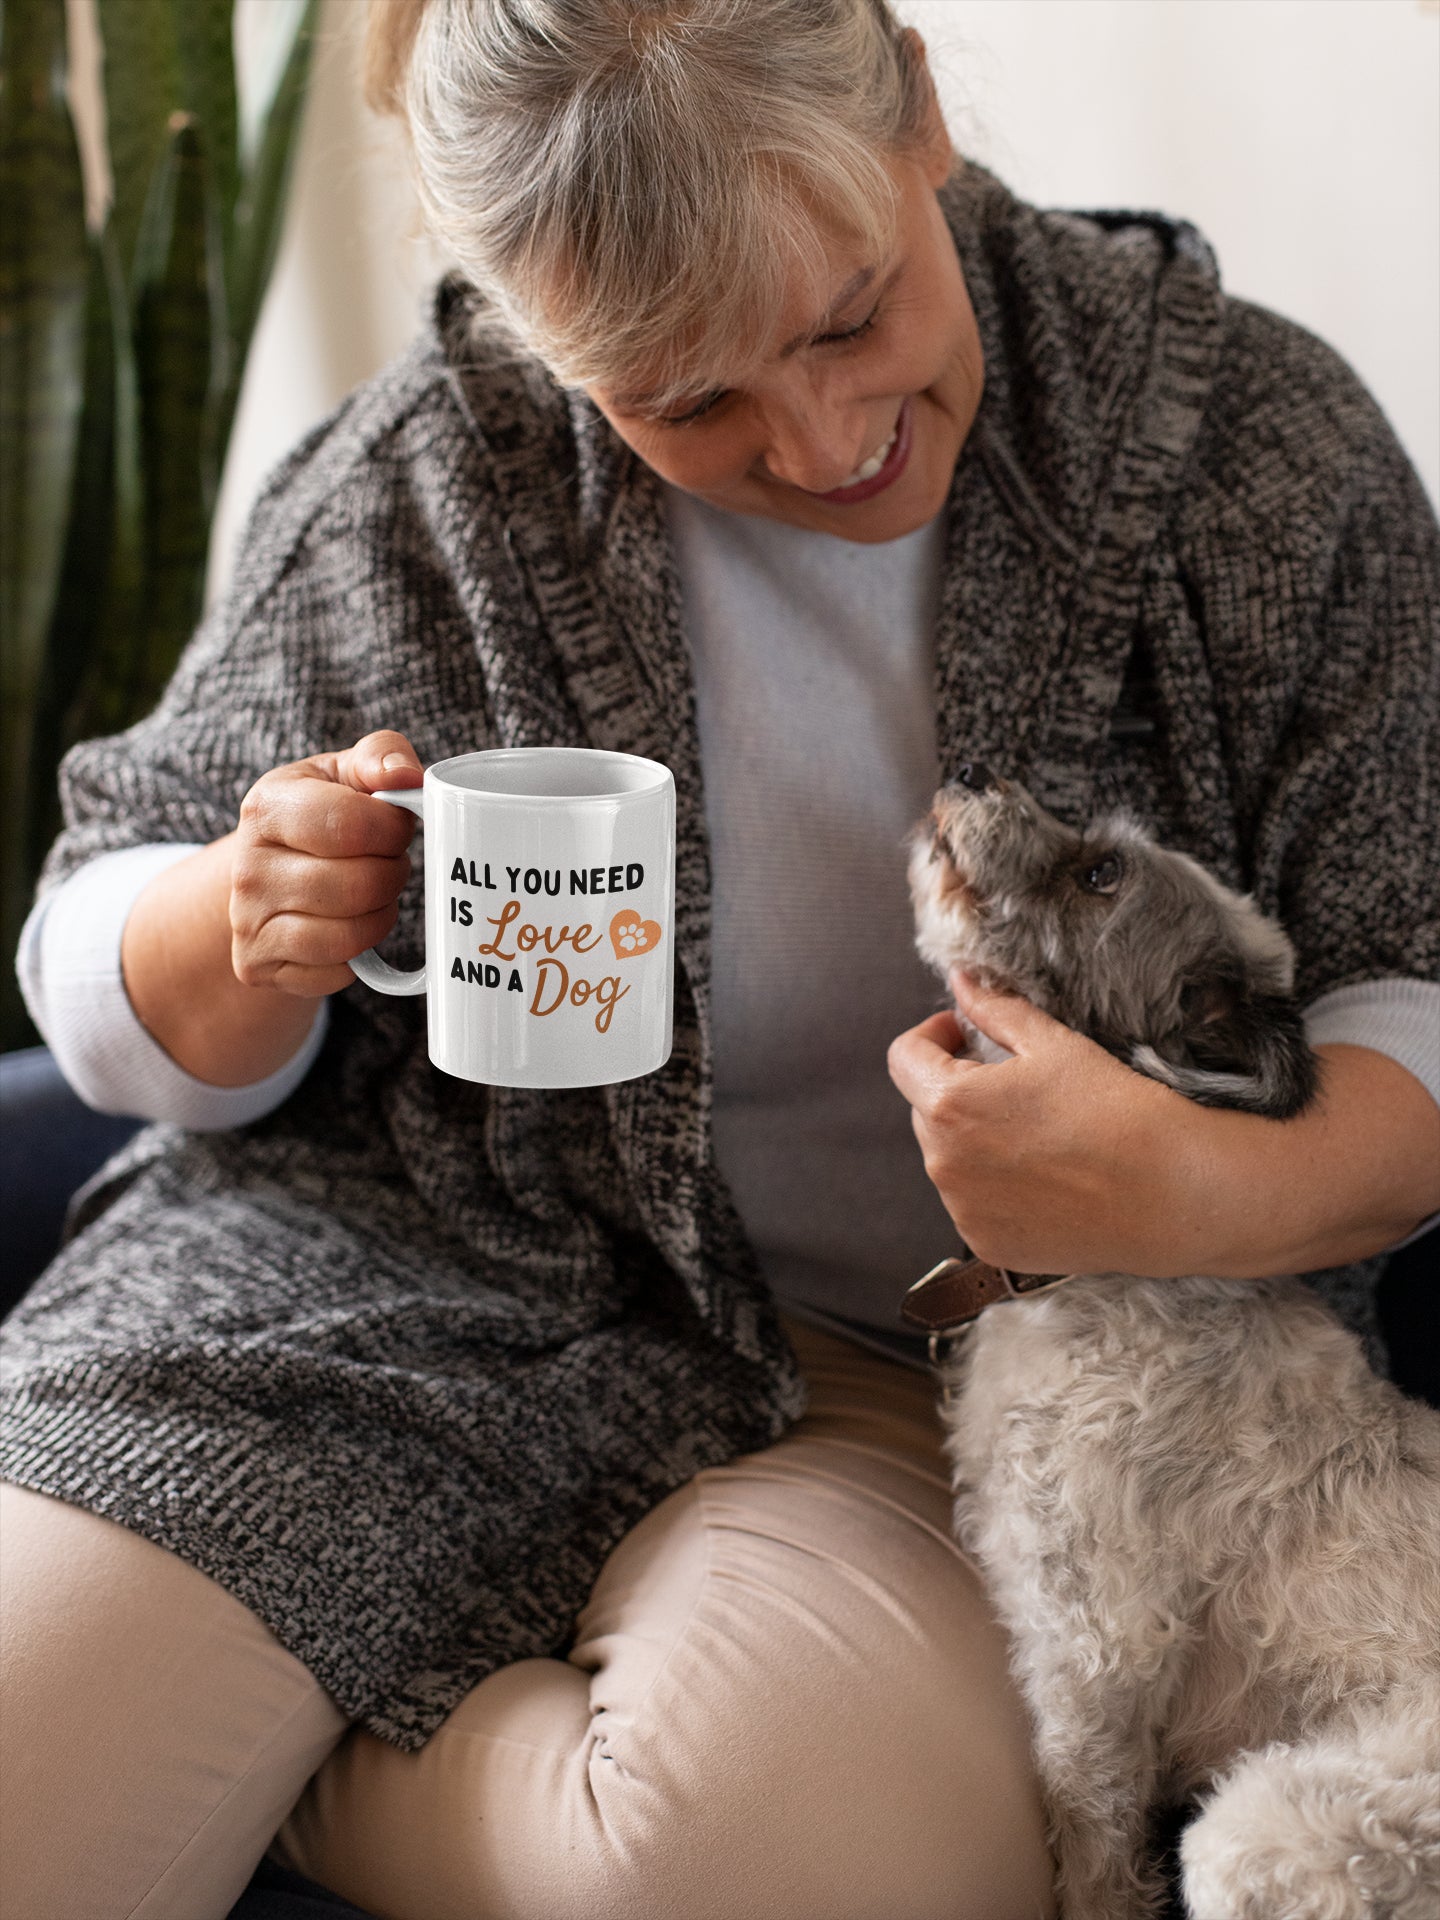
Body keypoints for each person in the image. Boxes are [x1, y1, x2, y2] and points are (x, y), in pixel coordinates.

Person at [2, 3, 1437, 1916]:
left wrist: (1200, 1192)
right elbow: (99, 957)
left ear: (918, 109)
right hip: (368, 1289)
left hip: (913, 1380)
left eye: (850, 318)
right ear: (538, 335)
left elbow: (1406, 961)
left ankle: (290, 1734)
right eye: (684, 399)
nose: (827, 439)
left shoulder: (1246, 452)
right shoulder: (420, 490)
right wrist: (239, 929)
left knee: (812, 1868)